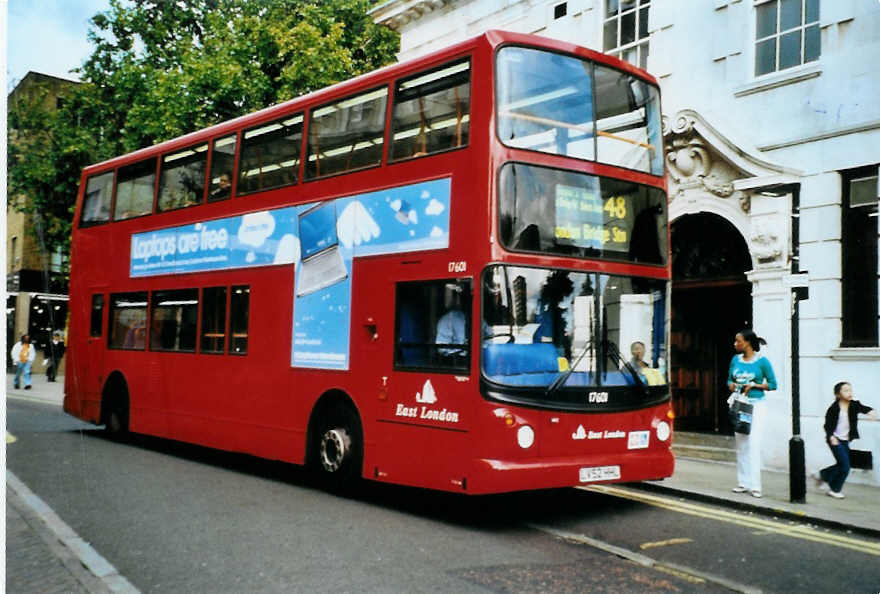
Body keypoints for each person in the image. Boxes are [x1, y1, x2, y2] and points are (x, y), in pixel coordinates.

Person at [727, 329, 777, 498]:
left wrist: (755, 386)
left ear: (747, 342)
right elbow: (729, 379)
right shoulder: (736, 359)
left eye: (738, 341)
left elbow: (773, 384)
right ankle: (743, 483)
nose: (735, 344)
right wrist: (731, 385)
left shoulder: (762, 362)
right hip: (739, 404)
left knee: (753, 444)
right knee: (741, 445)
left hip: (756, 406)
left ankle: (755, 486)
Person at [813, 382, 877, 499]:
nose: (849, 393)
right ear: (838, 394)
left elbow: (863, 408)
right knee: (845, 467)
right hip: (835, 440)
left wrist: (871, 411)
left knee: (842, 464)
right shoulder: (833, 409)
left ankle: (822, 474)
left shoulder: (854, 404)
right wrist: (831, 436)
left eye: (850, 390)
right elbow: (827, 425)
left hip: (845, 440)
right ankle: (835, 489)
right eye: (846, 391)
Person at [435, 283, 467, 360]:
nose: (459, 301)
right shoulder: (446, 320)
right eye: (457, 297)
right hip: (457, 361)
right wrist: (461, 351)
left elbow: (488, 334)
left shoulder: (474, 316)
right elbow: (441, 348)